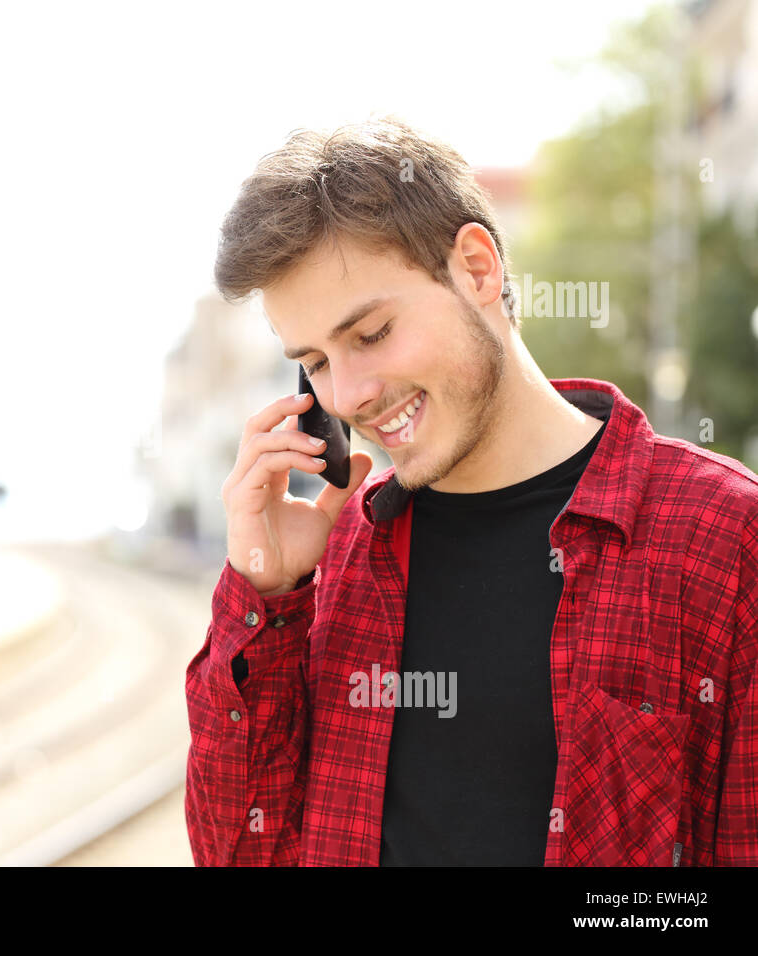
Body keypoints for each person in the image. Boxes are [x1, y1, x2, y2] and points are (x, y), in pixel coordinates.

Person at [185, 116, 758, 866]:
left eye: (371, 334)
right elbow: (238, 856)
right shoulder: (334, 561)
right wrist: (268, 594)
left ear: (478, 270)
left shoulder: (721, 537)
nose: (350, 395)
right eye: (316, 362)